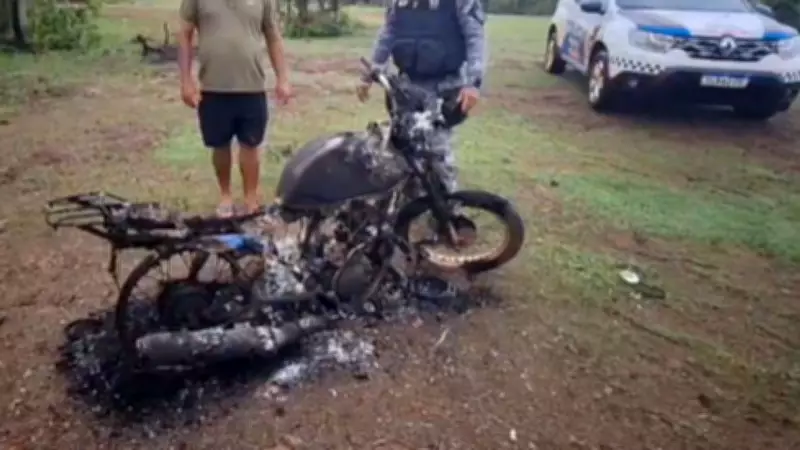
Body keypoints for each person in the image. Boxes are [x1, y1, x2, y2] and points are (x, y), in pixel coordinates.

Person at [356, 0, 487, 193]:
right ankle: (410, 200)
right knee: (401, 145)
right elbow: (388, 32)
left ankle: (445, 209)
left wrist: (473, 82)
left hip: (444, 85)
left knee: (436, 150)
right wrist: (370, 73)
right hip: (407, 86)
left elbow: (475, 38)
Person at [177, 0, 292, 216]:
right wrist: (186, 81)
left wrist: (283, 78)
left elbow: (273, 37)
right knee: (219, 144)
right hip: (213, 86)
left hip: (252, 85)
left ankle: (250, 198)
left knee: (250, 144)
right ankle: (225, 196)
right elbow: (184, 34)